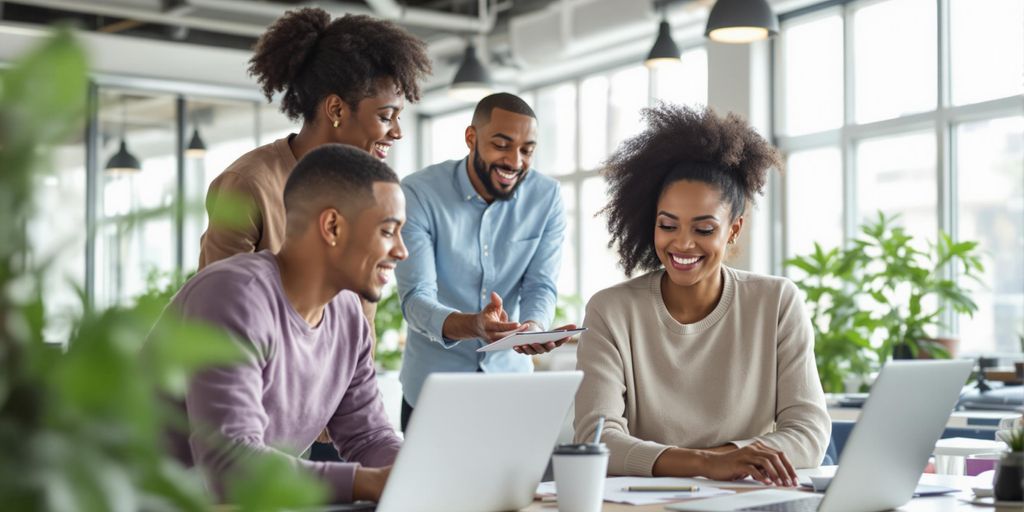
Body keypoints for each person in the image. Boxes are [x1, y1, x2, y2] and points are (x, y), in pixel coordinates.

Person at [573, 104, 830, 487]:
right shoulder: (611, 311)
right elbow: (596, 439)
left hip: (747, 501)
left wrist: (723, 462)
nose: (683, 243)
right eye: (668, 225)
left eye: (704, 229)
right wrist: (708, 463)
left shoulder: (776, 302)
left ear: (734, 230)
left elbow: (808, 432)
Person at [162, 144, 407, 503]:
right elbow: (230, 465)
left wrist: (420, 473)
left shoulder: (348, 314)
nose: (401, 250)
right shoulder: (235, 294)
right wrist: (368, 483)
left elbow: (368, 438)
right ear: (333, 226)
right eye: (388, 231)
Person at [198, 6, 431, 328]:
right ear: (336, 108)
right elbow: (218, 311)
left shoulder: (370, 194)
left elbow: (361, 327)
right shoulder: (249, 183)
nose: (397, 132)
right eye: (385, 116)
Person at [395, 93, 572, 431]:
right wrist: (472, 325)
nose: (515, 161)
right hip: (432, 389)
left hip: (511, 388)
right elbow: (416, 298)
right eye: (502, 145)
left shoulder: (546, 197)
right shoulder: (418, 194)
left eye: (527, 150)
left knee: (515, 487)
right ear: (471, 138)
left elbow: (540, 285)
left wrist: (533, 327)